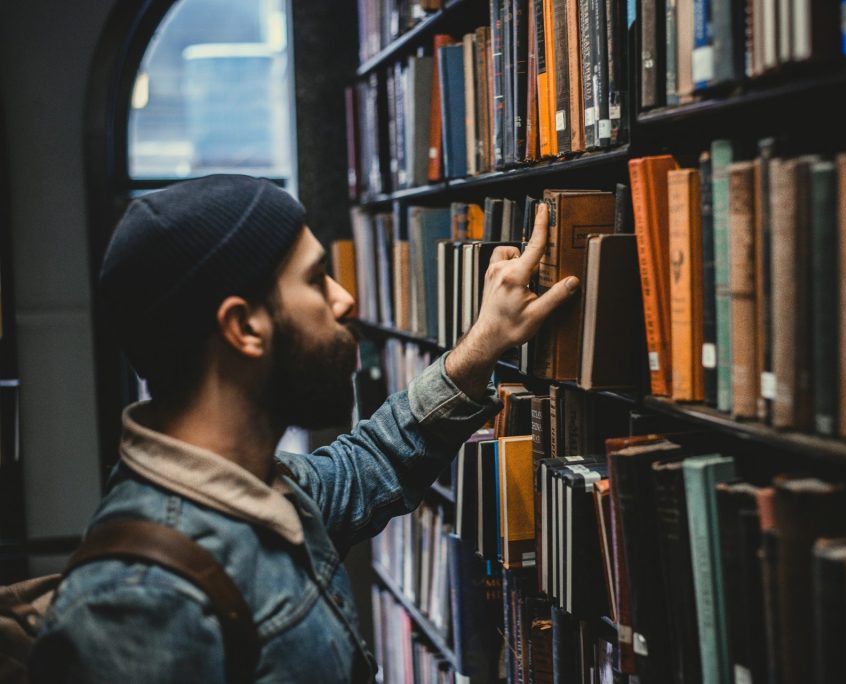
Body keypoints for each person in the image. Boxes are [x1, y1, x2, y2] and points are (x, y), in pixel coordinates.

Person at [29, 175, 579, 682]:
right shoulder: (139, 606)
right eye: (317, 280)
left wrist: (484, 342)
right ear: (244, 327)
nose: (345, 300)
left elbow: (376, 459)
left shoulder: (268, 489)